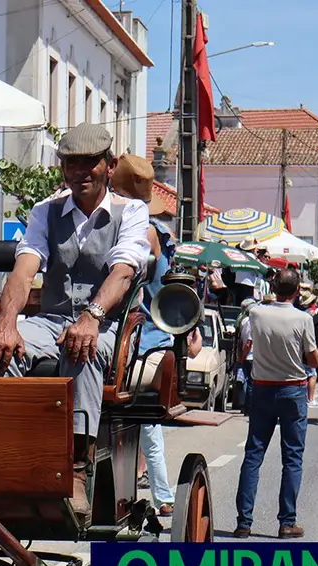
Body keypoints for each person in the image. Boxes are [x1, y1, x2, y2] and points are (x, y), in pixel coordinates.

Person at [0, 123, 151, 521]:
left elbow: (123, 271)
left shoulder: (132, 211)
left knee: (82, 347)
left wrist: (92, 317)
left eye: (89, 164)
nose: (79, 173)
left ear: (109, 166)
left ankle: (76, 467)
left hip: (107, 324)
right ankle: (8, 458)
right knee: (1, 347)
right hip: (51, 319)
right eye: (71, 165)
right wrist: (6, 322)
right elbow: (24, 271)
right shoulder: (45, 210)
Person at [109, 155, 201, 515]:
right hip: (131, 335)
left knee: (145, 425)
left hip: (142, 339)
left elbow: (161, 291)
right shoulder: (136, 225)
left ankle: (163, 496)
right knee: (141, 430)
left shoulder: (145, 232)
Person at [233, 268, 318, 539]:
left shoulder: (256, 313)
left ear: (274, 288)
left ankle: (244, 522)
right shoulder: (303, 319)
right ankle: (286, 522)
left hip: (262, 389)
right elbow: (313, 360)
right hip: (293, 390)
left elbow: (244, 348)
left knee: (253, 455)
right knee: (292, 458)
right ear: (297, 292)